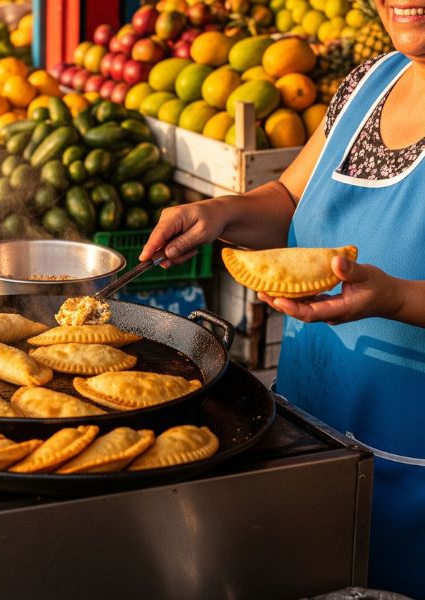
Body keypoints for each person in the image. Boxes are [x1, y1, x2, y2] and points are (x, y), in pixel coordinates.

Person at [138, 8, 425, 596]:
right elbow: (292, 198)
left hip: (413, 484)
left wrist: (395, 298)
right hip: (309, 449)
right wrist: (221, 213)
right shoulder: (370, 83)